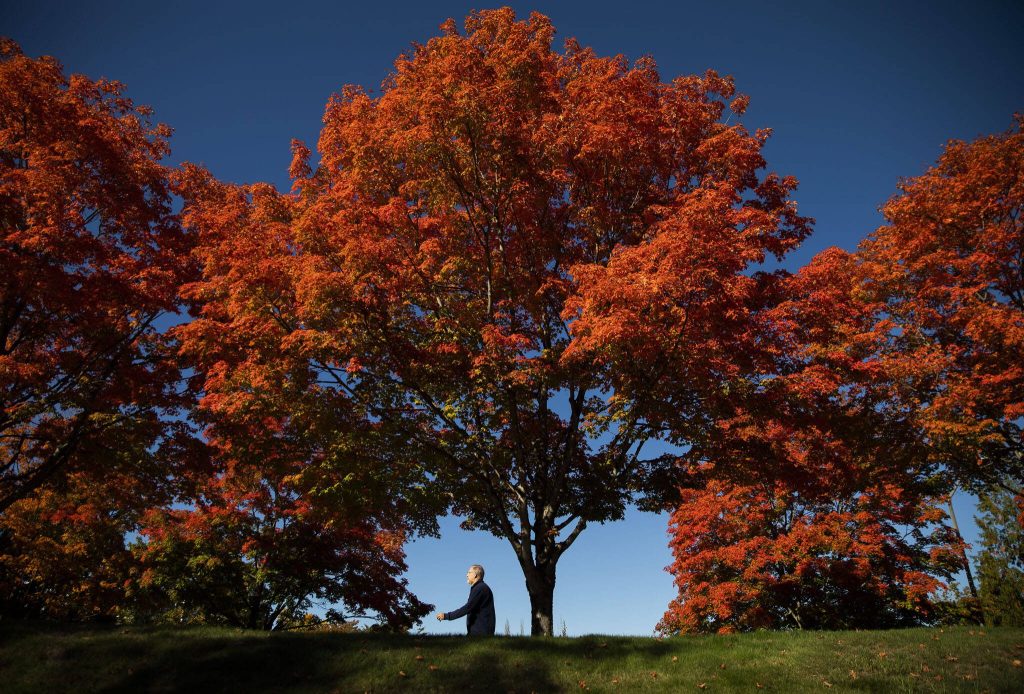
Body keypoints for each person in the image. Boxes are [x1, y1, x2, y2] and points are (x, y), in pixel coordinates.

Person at [436, 564, 495, 636]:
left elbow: (468, 608)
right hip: (478, 632)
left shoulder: (480, 588)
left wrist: (447, 616)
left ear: (475, 575)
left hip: (480, 633)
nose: (467, 575)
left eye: (469, 572)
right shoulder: (479, 588)